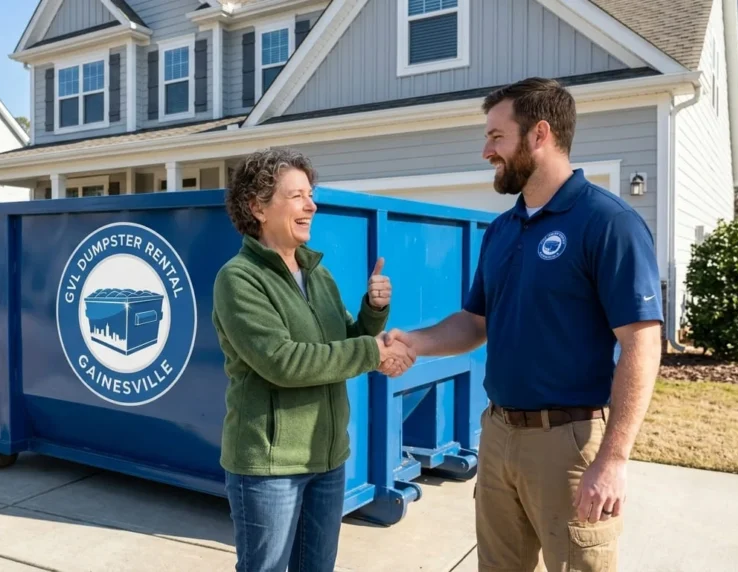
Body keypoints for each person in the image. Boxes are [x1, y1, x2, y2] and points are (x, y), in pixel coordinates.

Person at [384, 78, 663, 571]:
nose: (486, 149)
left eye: (496, 136)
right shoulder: (503, 228)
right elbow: (475, 322)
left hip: (568, 443)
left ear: (539, 135)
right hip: (497, 435)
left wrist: (614, 460)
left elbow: (642, 343)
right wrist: (415, 342)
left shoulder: (606, 222)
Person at [211, 147, 416, 572]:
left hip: (326, 458)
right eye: (297, 195)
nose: (312, 205)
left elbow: (344, 346)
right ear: (257, 207)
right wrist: (373, 351)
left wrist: (373, 313)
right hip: (270, 468)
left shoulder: (317, 275)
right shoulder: (238, 279)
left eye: (310, 194)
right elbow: (283, 362)